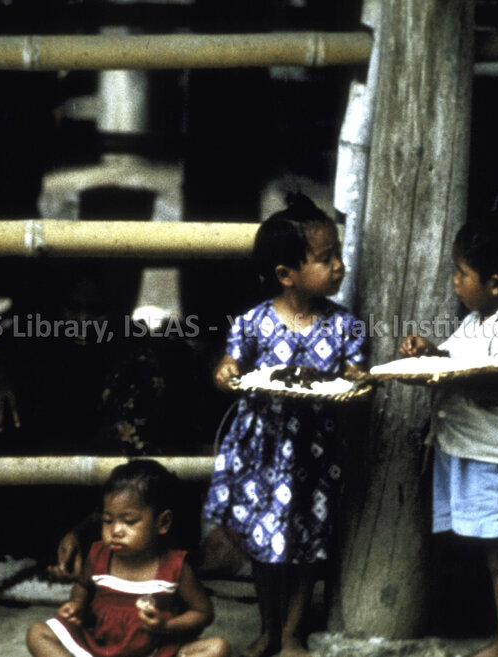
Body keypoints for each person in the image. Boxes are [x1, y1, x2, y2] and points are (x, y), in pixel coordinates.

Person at [203, 193, 366, 657]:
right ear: (286, 274)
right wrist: (226, 374)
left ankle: (292, 632)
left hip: (315, 453)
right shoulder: (253, 323)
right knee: (264, 543)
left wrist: (357, 378)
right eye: (326, 258)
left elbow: (353, 372)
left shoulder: (345, 327)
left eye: (339, 254)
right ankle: (268, 629)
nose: (339, 266)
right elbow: (230, 366)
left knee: (308, 543)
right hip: (263, 453)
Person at [399, 218, 498, 657]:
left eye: (461, 273)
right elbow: (457, 358)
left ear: (497, 283)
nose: (454, 281)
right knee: (491, 557)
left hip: (497, 459)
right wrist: (429, 354)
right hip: (465, 451)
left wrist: (442, 374)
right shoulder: (477, 321)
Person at [25, 460, 230, 657]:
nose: (115, 530)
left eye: (129, 521)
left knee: (217, 648)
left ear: (163, 523)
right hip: (98, 648)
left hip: (155, 651)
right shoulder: (98, 556)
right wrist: (77, 604)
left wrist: (167, 626)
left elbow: (203, 613)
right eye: (107, 521)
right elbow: (83, 586)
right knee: (37, 633)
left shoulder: (175, 567)